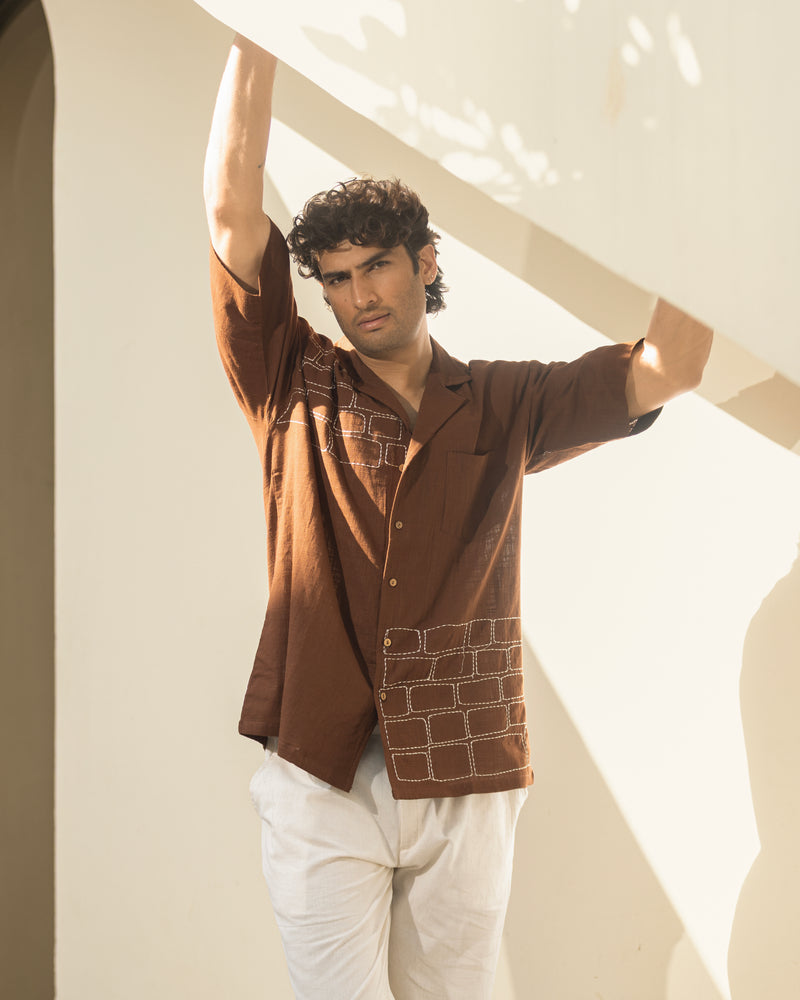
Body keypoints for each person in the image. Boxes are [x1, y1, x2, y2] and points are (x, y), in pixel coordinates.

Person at [203, 33, 713, 1000]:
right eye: (337, 278)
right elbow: (232, 202)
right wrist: (253, 28)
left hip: (467, 766)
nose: (359, 296)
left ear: (425, 260)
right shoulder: (291, 378)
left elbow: (670, 368)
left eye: (377, 267)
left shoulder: (506, 401)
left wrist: (702, 195)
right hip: (320, 768)